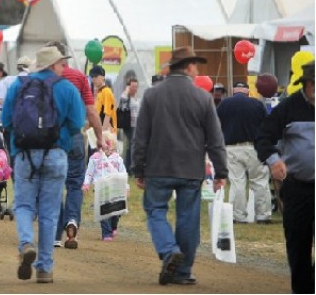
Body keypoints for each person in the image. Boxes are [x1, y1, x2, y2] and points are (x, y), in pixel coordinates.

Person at [132, 46, 228, 286]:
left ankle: (168, 251)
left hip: (158, 167)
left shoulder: (152, 95)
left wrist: (138, 168)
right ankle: (183, 271)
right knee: (188, 218)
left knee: (155, 211)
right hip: (190, 169)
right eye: (195, 64)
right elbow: (215, 140)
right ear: (187, 67)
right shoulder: (203, 98)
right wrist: (221, 171)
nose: (197, 70)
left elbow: (140, 136)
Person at [1, 46, 85, 283]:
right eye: (61, 64)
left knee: (25, 205)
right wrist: (61, 138)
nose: (63, 67)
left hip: (25, 154)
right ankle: (45, 268)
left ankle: (26, 241)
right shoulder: (67, 88)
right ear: (52, 65)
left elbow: (6, 120)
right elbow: (77, 123)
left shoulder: (19, 85)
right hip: (56, 154)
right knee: (50, 211)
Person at [254, 60, 314, 294]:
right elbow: (263, 137)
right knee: (298, 245)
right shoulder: (289, 107)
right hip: (298, 187)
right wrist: (273, 160)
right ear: (308, 84)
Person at [47, 41, 104, 250]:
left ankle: (54, 234)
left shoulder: (45, 78)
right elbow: (91, 110)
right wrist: (99, 136)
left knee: (53, 185)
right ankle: (72, 221)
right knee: (74, 184)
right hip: (76, 137)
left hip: (51, 139)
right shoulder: (79, 77)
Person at [216, 81, 271, 224]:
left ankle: (238, 216)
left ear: (233, 91)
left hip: (232, 148)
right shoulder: (257, 104)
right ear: (247, 91)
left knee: (237, 183)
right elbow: (267, 126)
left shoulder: (224, 104)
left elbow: (216, 126)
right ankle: (263, 216)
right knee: (260, 181)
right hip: (255, 148)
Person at [82, 131, 127, 241]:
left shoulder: (118, 159)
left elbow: (123, 173)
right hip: (100, 188)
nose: (107, 148)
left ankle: (113, 227)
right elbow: (89, 173)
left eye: (109, 145)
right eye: (104, 145)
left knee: (115, 211)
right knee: (103, 211)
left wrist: (126, 187)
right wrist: (86, 183)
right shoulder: (95, 158)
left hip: (115, 188)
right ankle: (106, 234)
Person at [118, 78, 140, 174]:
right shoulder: (125, 97)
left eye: (136, 86)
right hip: (129, 125)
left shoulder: (136, 97)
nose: (134, 88)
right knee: (133, 145)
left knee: (131, 146)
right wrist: (127, 90)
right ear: (128, 87)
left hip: (136, 124)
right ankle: (131, 167)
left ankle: (128, 166)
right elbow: (122, 103)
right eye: (132, 86)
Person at [90, 65, 117, 133]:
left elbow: (107, 115)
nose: (93, 79)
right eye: (92, 77)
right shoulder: (100, 92)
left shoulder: (106, 92)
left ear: (102, 77)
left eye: (96, 76)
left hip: (107, 133)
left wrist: (102, 134)